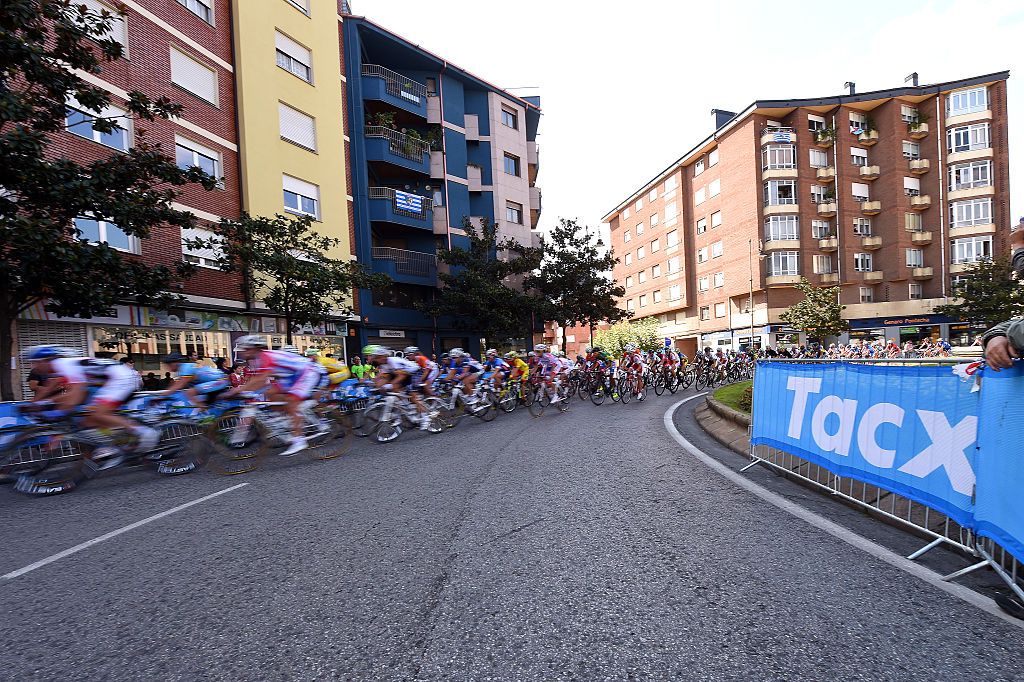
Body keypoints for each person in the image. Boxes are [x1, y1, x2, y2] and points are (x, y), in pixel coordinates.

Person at [26, 345, 160, 468]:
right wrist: (39, 404)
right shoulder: (58, 371)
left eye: (35, 362)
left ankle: (142, 431)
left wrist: (51, 409)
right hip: (110, 381)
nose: (34, 367)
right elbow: (63, 393)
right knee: (85, 421)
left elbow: (75, 397)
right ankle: (112, 445)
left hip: (120, 378)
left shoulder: (64, 365)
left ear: (46, 361)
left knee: (97, 413)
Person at [223, 335, 321, 456]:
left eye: (245, 349)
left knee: (291, 400)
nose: (243, 352)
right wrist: (245, 391)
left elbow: (260, 380)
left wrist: (236, 391)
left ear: (255, 349)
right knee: (270, 393)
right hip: (290, 375)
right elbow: (260, 382)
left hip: (306, 372)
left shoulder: (265, 357)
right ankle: (284, 421)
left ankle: (299, 440)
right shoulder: (256, 359)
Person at [159, 352, 230, 408]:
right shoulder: (183, 368)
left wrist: (164, 394)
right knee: (190, 392)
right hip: (217, 380)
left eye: (168, 365)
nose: (167, 368)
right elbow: (177, 384)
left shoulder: (185, 368)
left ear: (175, 363)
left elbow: (180, 385)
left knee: (190, 392)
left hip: (220, 380)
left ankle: (204, 414)